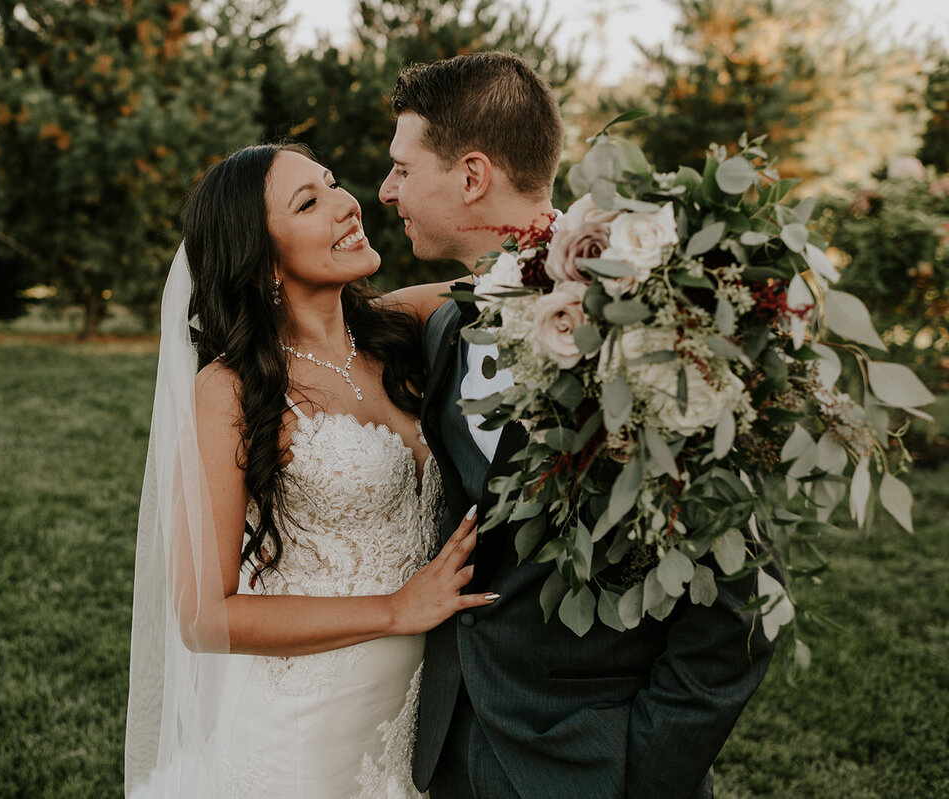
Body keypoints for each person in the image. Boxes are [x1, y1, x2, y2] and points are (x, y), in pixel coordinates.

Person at [378, 51, 777, 799]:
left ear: (471, 176)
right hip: (454, 751)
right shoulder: (448, 332)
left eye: (403, 168)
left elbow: (739, 602)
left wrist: (642, 775)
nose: (386, 189)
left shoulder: (648, 329)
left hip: (593, 763)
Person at [125, 142, 497, 798]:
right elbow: (203, 617)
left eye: (331, 183)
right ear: (263, 260)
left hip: (419, 716)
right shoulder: (232, 389)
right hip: (304, 733)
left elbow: (527, 278)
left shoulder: (399, 327)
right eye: (309, 202)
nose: (346, 204)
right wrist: (393, 609)